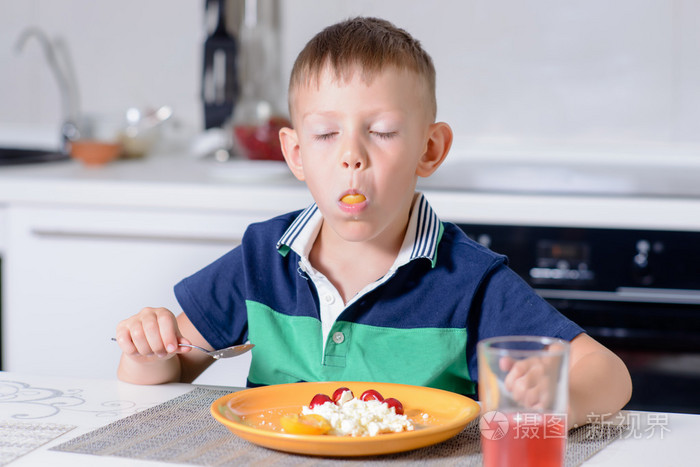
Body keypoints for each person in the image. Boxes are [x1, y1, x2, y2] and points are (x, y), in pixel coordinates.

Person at [116, 16, 631, 428]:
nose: (351, 157)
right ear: (295, 153)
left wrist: (556, 395)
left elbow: (610, 375)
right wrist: (147, 351)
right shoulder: (262, 257)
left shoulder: (469, 280)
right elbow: (168, 373)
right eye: (325, 135)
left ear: (429, 149)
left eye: (381, 131)